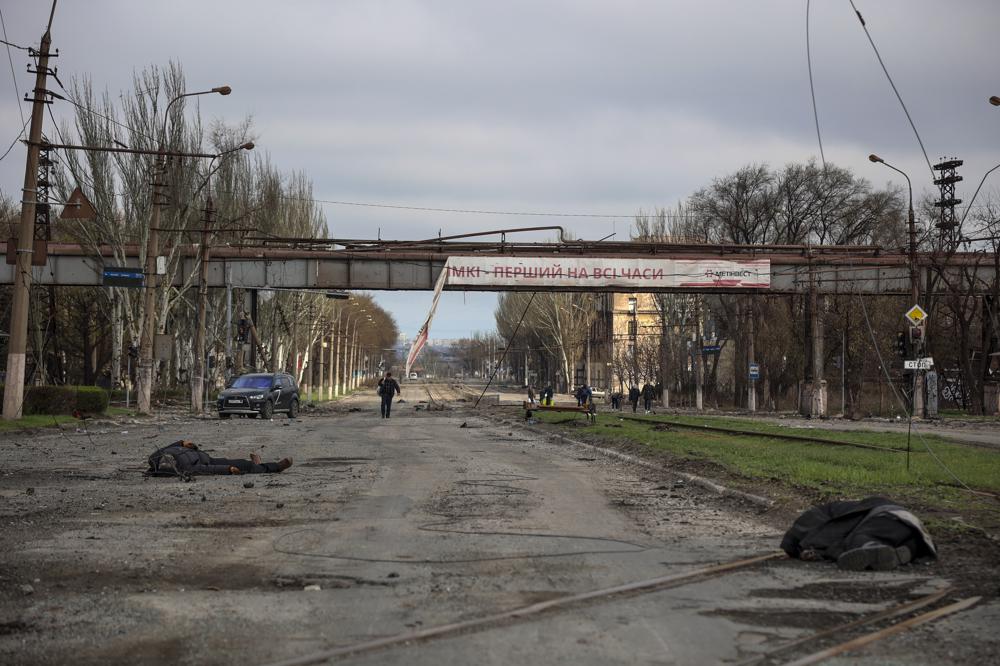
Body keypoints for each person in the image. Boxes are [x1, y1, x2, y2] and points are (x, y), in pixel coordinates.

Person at [147, 440, 292, 476]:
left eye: (167, 459)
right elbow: (207, 469)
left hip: (206, 456)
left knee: (242, 462)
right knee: (247, 467)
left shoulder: (154, 458)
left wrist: (181, 443)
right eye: (169, 462)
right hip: (208, 462)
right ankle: (276, 467)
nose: (168, 459)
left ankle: (256, 464)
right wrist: (228, 469)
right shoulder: (184, 468)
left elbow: (166, 447)